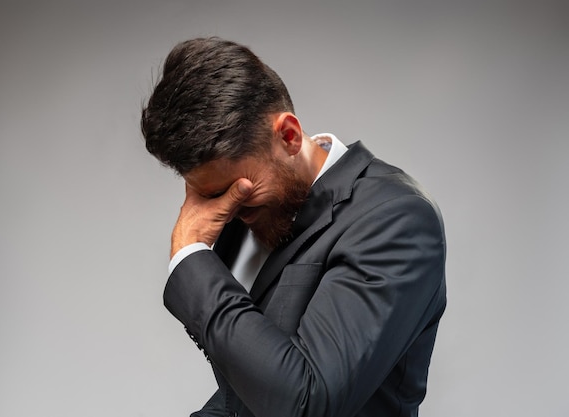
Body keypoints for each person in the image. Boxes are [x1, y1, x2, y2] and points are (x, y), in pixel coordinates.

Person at [141, 37, 446, 417]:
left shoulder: (396, 219)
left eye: (232, 190)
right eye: (207, 194)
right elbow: (252, 388)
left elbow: (305, 402)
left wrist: (190, 254)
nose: (225, 210)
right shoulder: (244, 213)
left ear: (288, 135)